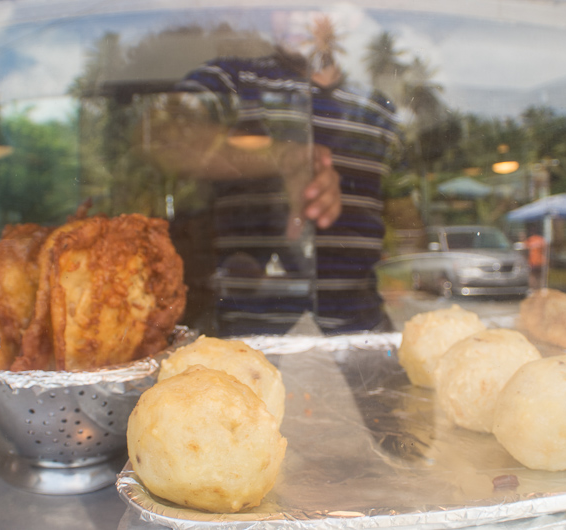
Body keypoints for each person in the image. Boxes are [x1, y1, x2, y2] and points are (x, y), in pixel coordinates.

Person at [170, 15, 399, 336]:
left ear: (343, 16)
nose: (294, 13)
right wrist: (282, 156)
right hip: (244, 315)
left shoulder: (376, 108)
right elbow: (165, 134)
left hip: (359, 313)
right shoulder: (231, 80)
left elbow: (395, 210)